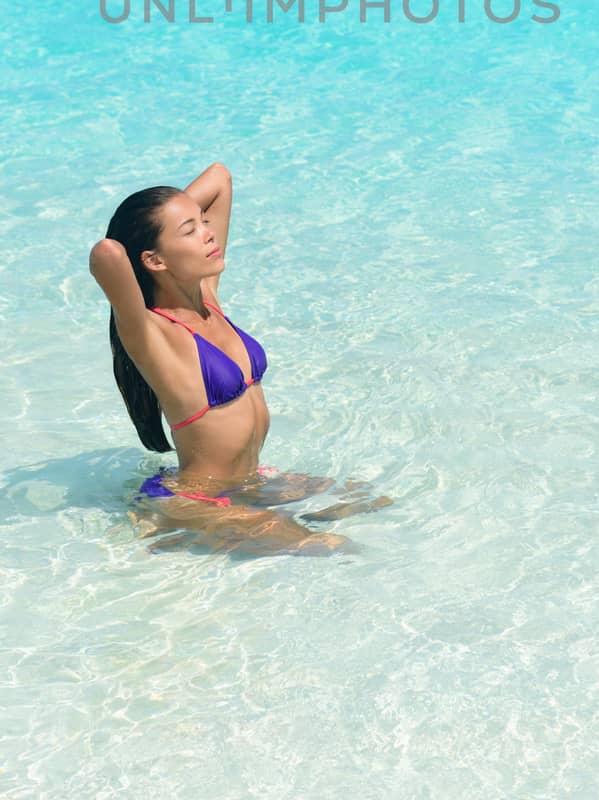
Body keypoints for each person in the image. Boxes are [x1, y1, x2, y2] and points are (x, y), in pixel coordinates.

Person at [89, 161, 391, 555]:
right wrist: (156, 228)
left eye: (203, 222)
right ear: (154, 260)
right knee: (336, 548)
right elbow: (106, 252)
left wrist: (175, 222)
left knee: (370, 499)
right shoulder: (152, 334)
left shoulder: (208, 299)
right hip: (198, 499)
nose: (208, 233)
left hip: (250, 483)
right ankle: (170, 524)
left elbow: (219, 177)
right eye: (191, 230)